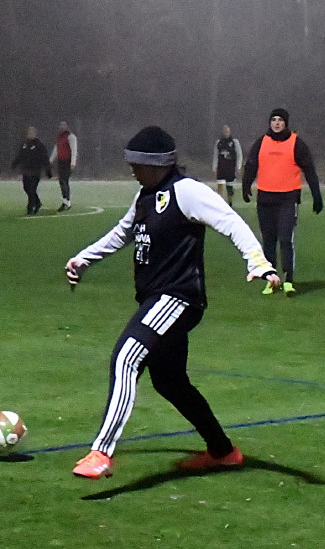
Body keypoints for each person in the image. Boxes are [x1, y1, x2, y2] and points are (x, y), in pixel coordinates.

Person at [65, 126, 280, 479]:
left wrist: (257, 261)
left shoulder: (186, 191)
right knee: (169, 382)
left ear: (157, 164)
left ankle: (101, 452)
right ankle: (223, 452)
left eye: (137, 164)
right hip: (157, 298)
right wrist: (83, 259)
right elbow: (123, 232)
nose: (132, 170)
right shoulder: (145, 196)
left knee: (126, 356)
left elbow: (230, 221)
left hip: (178, 297)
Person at [241, 108, 323, 297]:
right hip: (265, 199)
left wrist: (316, 195)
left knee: (285, 239)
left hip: (288, 199)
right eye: (274, 120)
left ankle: (288, 281)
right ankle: (271, 281)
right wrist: (246, 185)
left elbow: (309, 170)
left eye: (280, 120)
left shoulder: (296, 143)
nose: (276, 123)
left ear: (286, 123)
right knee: (268, 242)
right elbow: (251, 165)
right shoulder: (261, 142)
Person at [11, 126, 52, 215]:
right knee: (26, 188)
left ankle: (31, 208)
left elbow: (45, 158)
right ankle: (37, 202)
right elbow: (20, 155)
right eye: (29, 132)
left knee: (32, 189)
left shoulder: (39, 145)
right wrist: (14, 163)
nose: (30, 134)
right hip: (26, 170)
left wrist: (48, 170)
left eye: (32, 133)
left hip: (35, 171)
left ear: (35, 134)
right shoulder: (24, 144)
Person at [50, 120, 78, 211]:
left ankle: (66, 202)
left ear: (67, 126)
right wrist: (50, 161)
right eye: (60, 125)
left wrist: (73, 163)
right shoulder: (59, 137)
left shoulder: (71, 136)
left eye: (63, 125)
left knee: (64, 181)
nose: (61, 127)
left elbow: (74, 150)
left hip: (67, 162)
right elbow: (56, 150)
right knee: (62, 182)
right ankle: (66, 201)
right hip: (61, 162)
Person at [213, 124, 243, 207]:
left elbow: (239, 155)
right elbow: (215, 156)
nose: (226, 133)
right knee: (220, 186)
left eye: (227, 131)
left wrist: (238, 167)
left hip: (230, 168)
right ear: (222, 132)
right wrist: (214, 168)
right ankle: (220, 203)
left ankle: (230, 204)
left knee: (230, 188)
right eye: (224, 131)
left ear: (230, 132)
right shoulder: (219, 142)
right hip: (221, 168)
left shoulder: (234, 142)